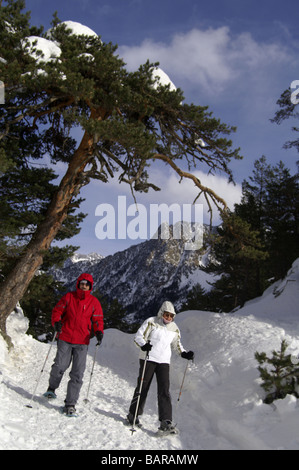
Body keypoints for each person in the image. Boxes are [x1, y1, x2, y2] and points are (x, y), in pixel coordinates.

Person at [127, 301, 194, 434]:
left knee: (164, 390)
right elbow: (138, 337)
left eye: (171, 316)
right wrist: (143, 345)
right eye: (166, 314)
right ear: (161, 313)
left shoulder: (174, 328)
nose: (168, 318)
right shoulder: (151, 322)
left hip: (163, 361)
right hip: (148, 358)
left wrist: (184, 353)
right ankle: (133, 415)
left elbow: (176, 344)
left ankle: (166, 421)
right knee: (143, 387)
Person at [44, 273, 104, 416]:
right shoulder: (69, 297)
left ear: (90, 286)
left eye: (86, 284)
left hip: (82, 342)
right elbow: (57, 311)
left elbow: (97, 320)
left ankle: (70, 404)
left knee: (77, 373)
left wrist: (99, 332)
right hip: (65, 337)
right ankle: (52, 388)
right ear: (78, 284)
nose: (83, 286)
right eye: (81, 283)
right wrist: (57, 322)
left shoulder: (94, 302)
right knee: (59, 365)